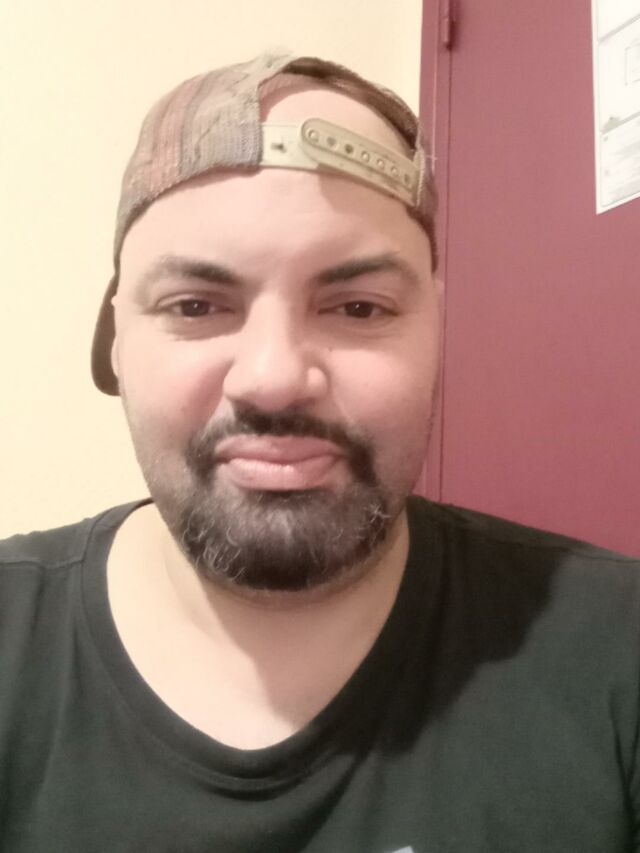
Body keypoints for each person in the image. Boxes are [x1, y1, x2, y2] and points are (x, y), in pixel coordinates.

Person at [1, 51, 639, 853]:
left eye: (359, 307)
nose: (273, 379)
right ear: (117, 339)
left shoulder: (619, 649)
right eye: (195, 305)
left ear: (437, 330)